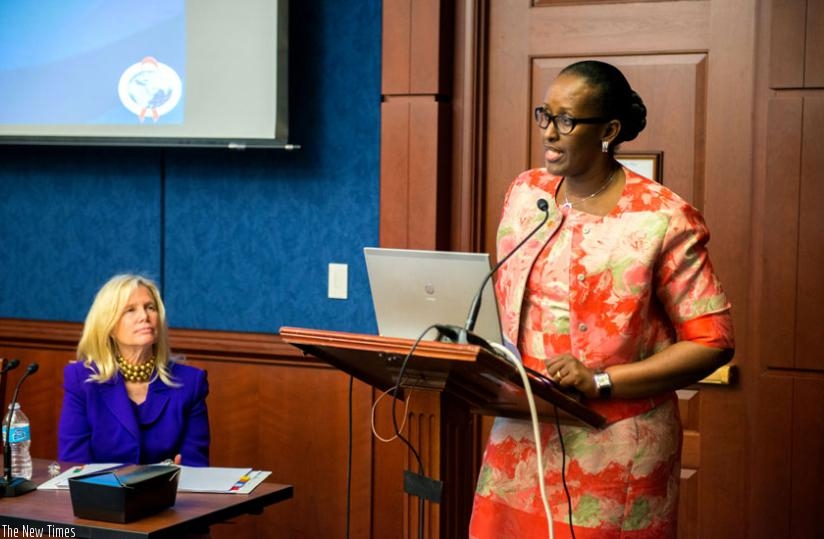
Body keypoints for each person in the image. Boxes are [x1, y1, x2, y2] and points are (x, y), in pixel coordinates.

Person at [469, 60, 735, 538]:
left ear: (609, 130)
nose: (550, 133)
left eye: (567, 120)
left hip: (613, 447)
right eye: (544, 116)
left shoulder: (661, 217)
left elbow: (712, 343)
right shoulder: (526, 194)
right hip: (523, 431)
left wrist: (602, 381)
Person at [58, 274, 210, 466]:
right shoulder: (81, 380)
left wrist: (181, 477)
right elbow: (74, 464)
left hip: (171, 494)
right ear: (109, 326)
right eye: (130, 310)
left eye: (150, 307)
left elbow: (195, 465)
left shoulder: (190, 382)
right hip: (100, 494)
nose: (144, 317)